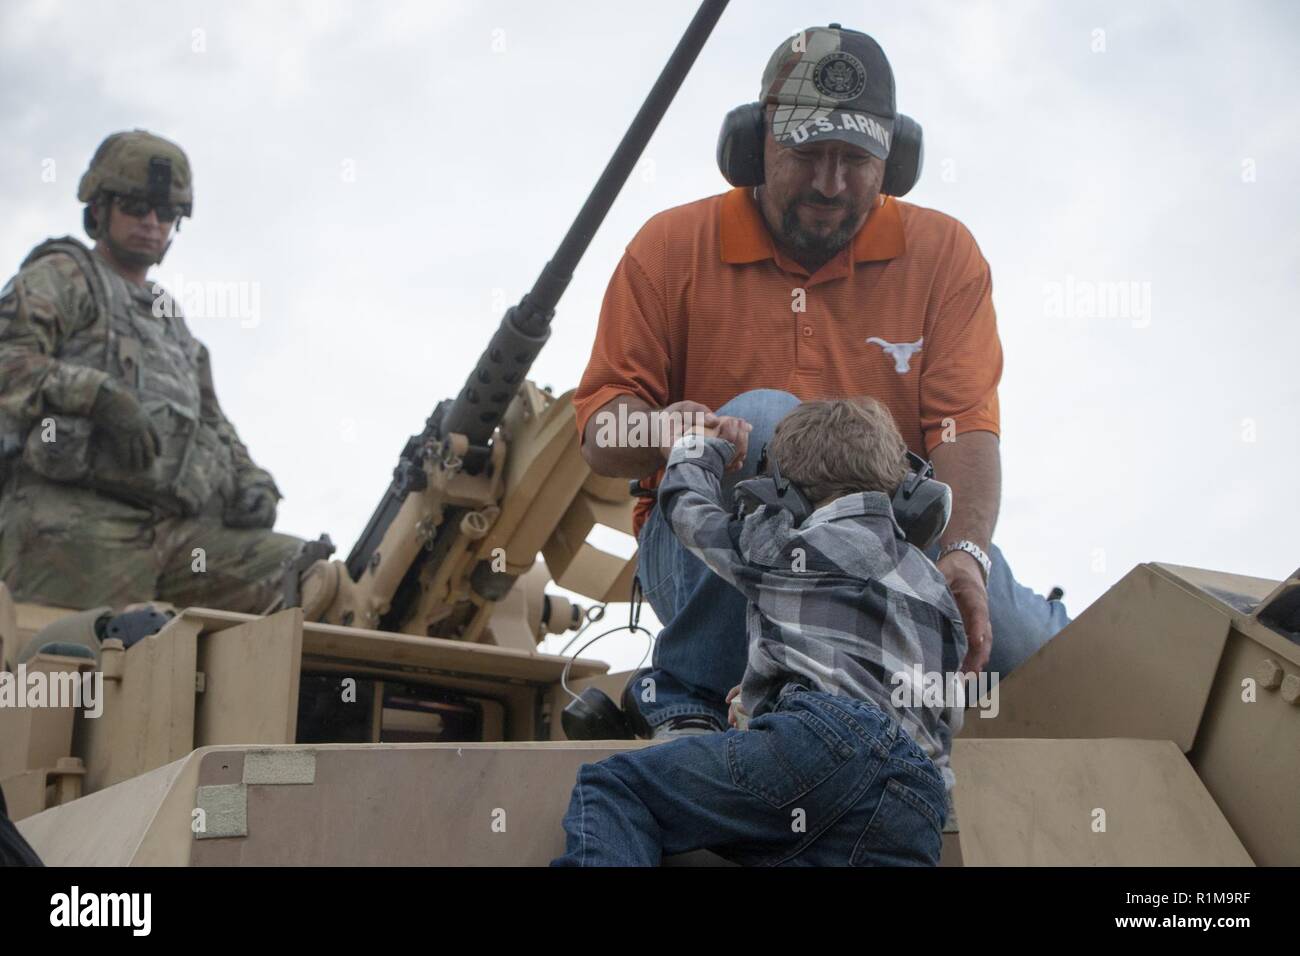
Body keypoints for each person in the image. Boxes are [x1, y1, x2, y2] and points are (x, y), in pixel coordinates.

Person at [573, 24, 1069, 736]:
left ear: (894, 161)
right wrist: (661, 430)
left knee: (1036, 647)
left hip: (887, 546)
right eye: (807, 154)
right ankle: (689, 695)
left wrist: (962, 557)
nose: (831, 185)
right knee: (771, 418)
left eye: (855, 159)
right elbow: (599, 430)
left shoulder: (945, 256)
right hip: (711, 552)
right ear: (754, 146)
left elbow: (966, 430)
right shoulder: (668, 248)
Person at [553, 398, 965, 866]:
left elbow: (689, 513)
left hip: (818, 744)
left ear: (785, 497)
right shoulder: (938, 592)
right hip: (917, 798)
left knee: (614, 787)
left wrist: (699, 450)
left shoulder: (784, 544)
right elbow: (944, 714)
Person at [0, 129, 303, 613]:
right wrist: (98, 396)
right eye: (136, 207)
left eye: (167, 214)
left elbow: (212, 425)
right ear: (98, 209)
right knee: (76, 676)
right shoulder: (62, 275)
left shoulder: (171, 321)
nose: (152, 223)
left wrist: (254, 483)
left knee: (306, 578)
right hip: (77, 529)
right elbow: (7, 362)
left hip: (178, 537)